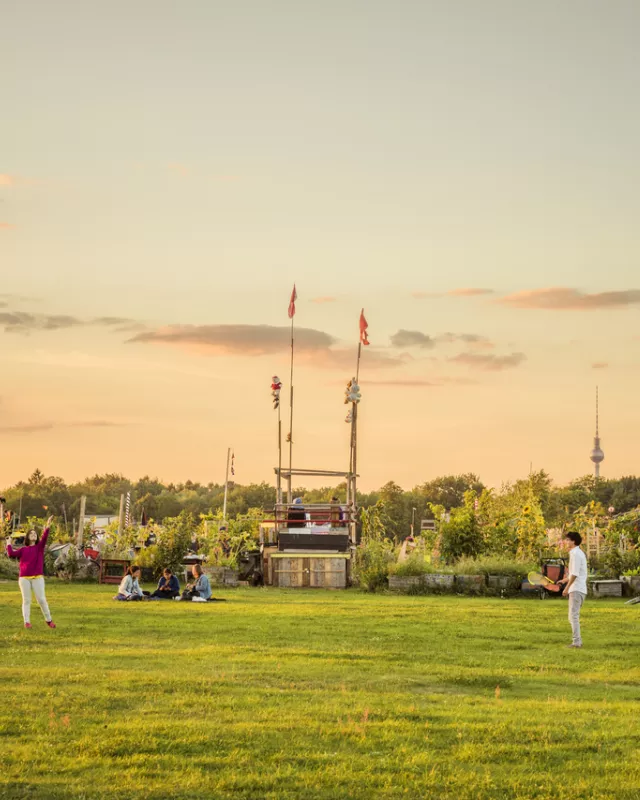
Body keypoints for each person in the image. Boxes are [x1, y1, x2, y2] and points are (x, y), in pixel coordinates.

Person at [5, 516, 56, 629]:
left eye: (35, 534)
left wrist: (47, 524)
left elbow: (45, 537)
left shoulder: (39, 547)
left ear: (36, 537)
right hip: (24, 578)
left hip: (37, 577)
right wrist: (8, 543)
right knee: (26, 600)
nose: (33, 534)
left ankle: (49, 620)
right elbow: (11, 554)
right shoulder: (23, 550)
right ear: (27, 537)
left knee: (41, 599)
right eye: (31, 533)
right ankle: (27, 622)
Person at [558, 531, 588, 648]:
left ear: (573, 541)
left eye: (568, 540)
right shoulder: (579, 553)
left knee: (573, 616)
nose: (566, 542)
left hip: (576, 589)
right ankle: (577, 641)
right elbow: (574, 573)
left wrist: (566, 588)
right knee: (573, 616)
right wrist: (564, 580)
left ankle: (576, 642)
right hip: (580, 589)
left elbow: (574, 574)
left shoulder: (575, 553)